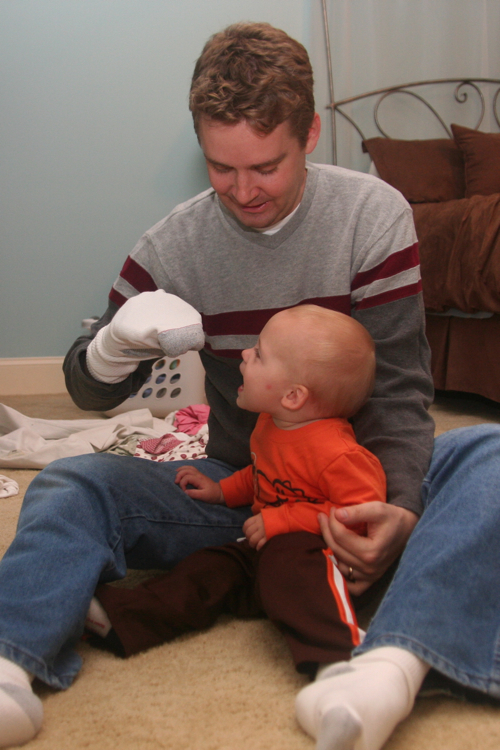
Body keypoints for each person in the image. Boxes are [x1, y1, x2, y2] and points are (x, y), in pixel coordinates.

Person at [0, 20, 498, 750]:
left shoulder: (371, 216)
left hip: (355, 485)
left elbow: (396, 392)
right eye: (220, 167)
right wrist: (112, 344)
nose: (243, 191)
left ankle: (391, 667)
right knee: (74, 483)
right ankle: (10, 660)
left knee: (487, 454)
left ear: (311, 136)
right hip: (244, 484)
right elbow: (87, 391)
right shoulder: (175, 243)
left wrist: (394, 508)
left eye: (265, 166)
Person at [84, 305, 385, 668]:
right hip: (260, 547)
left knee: (290, 568)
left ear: (293, 396)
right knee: (208, 568)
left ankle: (340, 658)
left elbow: (361, 518)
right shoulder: (270, 425)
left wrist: (283, 522)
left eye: (258, 354)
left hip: (317, 558)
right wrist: (221, 490)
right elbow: (262, 476)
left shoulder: (339, 454)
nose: (244, 354)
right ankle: (124, 617)